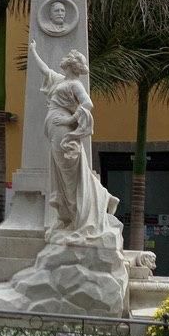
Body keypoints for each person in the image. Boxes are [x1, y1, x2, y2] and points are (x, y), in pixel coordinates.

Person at [27, 39, 122, 246]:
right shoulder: (60, 80)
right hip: (54, 128)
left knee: (69, 175)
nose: (63, 60)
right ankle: (103, 198)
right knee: (64, 174)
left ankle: (77, 215)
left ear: (71, 65)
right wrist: (33, 50)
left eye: (67, 59)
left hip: (62, 129)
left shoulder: (75, 84)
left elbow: (88, 103)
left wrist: (70, 120)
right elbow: (44, 69)